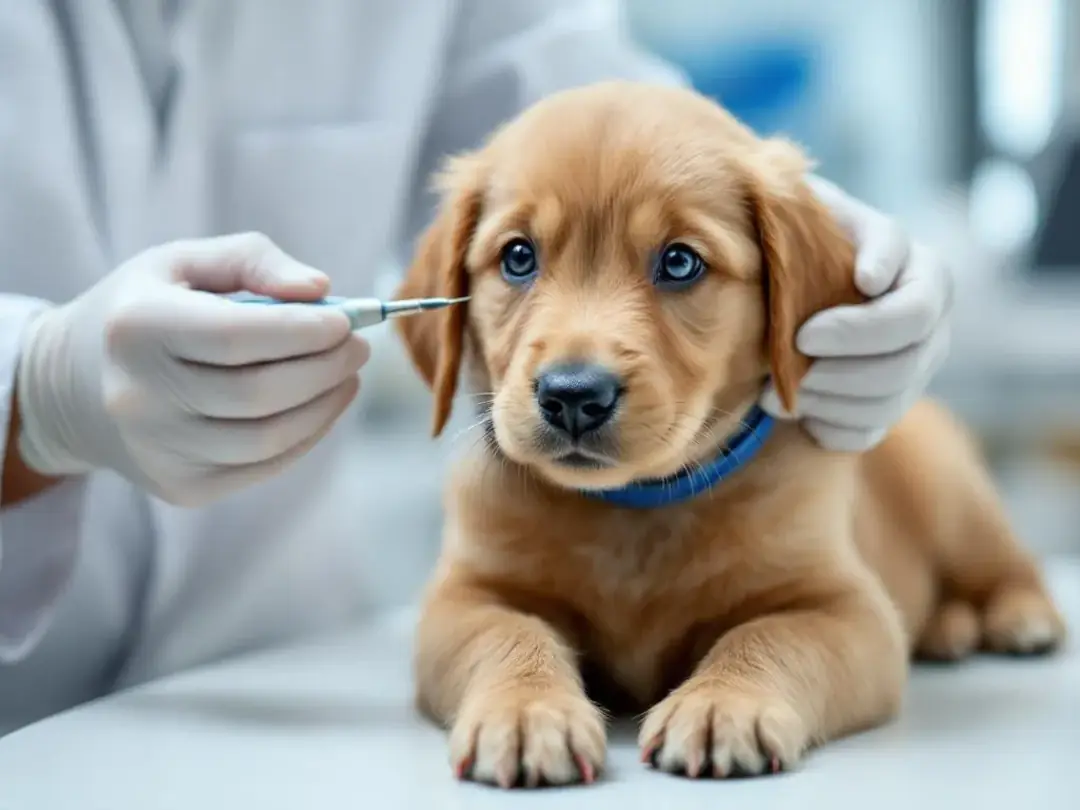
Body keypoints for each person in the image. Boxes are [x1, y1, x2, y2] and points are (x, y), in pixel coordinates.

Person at [0, 1, 951, 734]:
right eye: (519, 262)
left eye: (678, 268)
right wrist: (31, 388)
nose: (579, 360)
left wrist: (824, 242)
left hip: (274, 676)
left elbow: (598, 118)